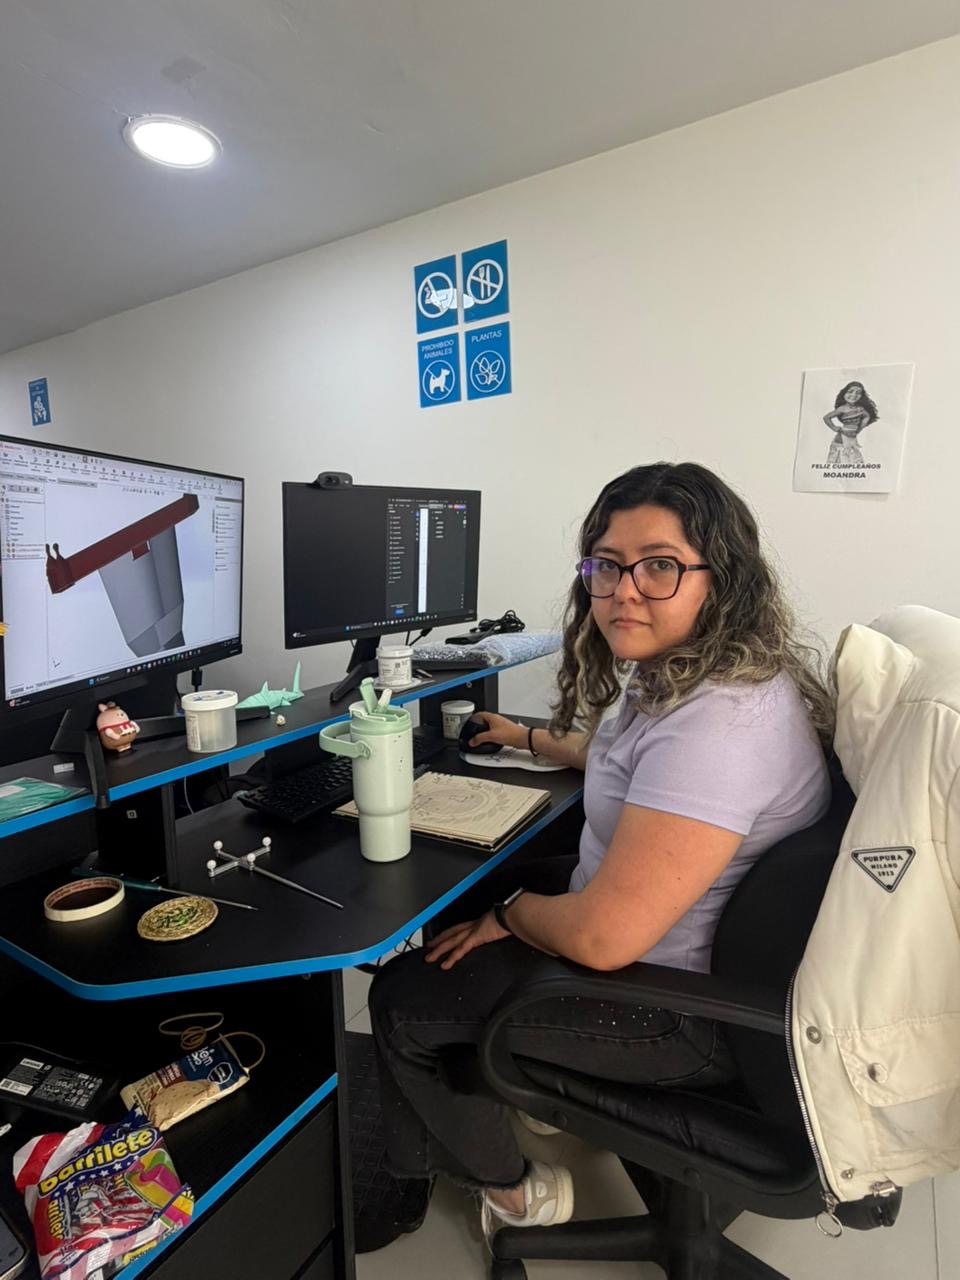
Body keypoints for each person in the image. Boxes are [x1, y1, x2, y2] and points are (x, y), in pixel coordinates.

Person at [369, 461, 833, 1245]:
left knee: (402, 1000)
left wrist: (512, 918)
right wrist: (526, 739)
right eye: (607, 566)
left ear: (721, 578)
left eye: (660, 566)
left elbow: (602, 938)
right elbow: (634, 764)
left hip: (678, 1008)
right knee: (461, 895)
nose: (624, 590)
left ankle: (516, 1190)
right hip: (699, 950)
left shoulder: (722, 726)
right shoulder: (700, 674)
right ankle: (512, 1080)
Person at [823, 381, 878, 467]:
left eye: (858, 393)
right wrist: (834, 427)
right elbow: (826, 417)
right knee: (842, 460)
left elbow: (867, 416)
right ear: (844, 393)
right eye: (850, 391)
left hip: (852, 439)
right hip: (841, 439)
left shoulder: (861, 409)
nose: (854, 395)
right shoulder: (842, 409)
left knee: (853, 461)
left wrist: (859, 428)